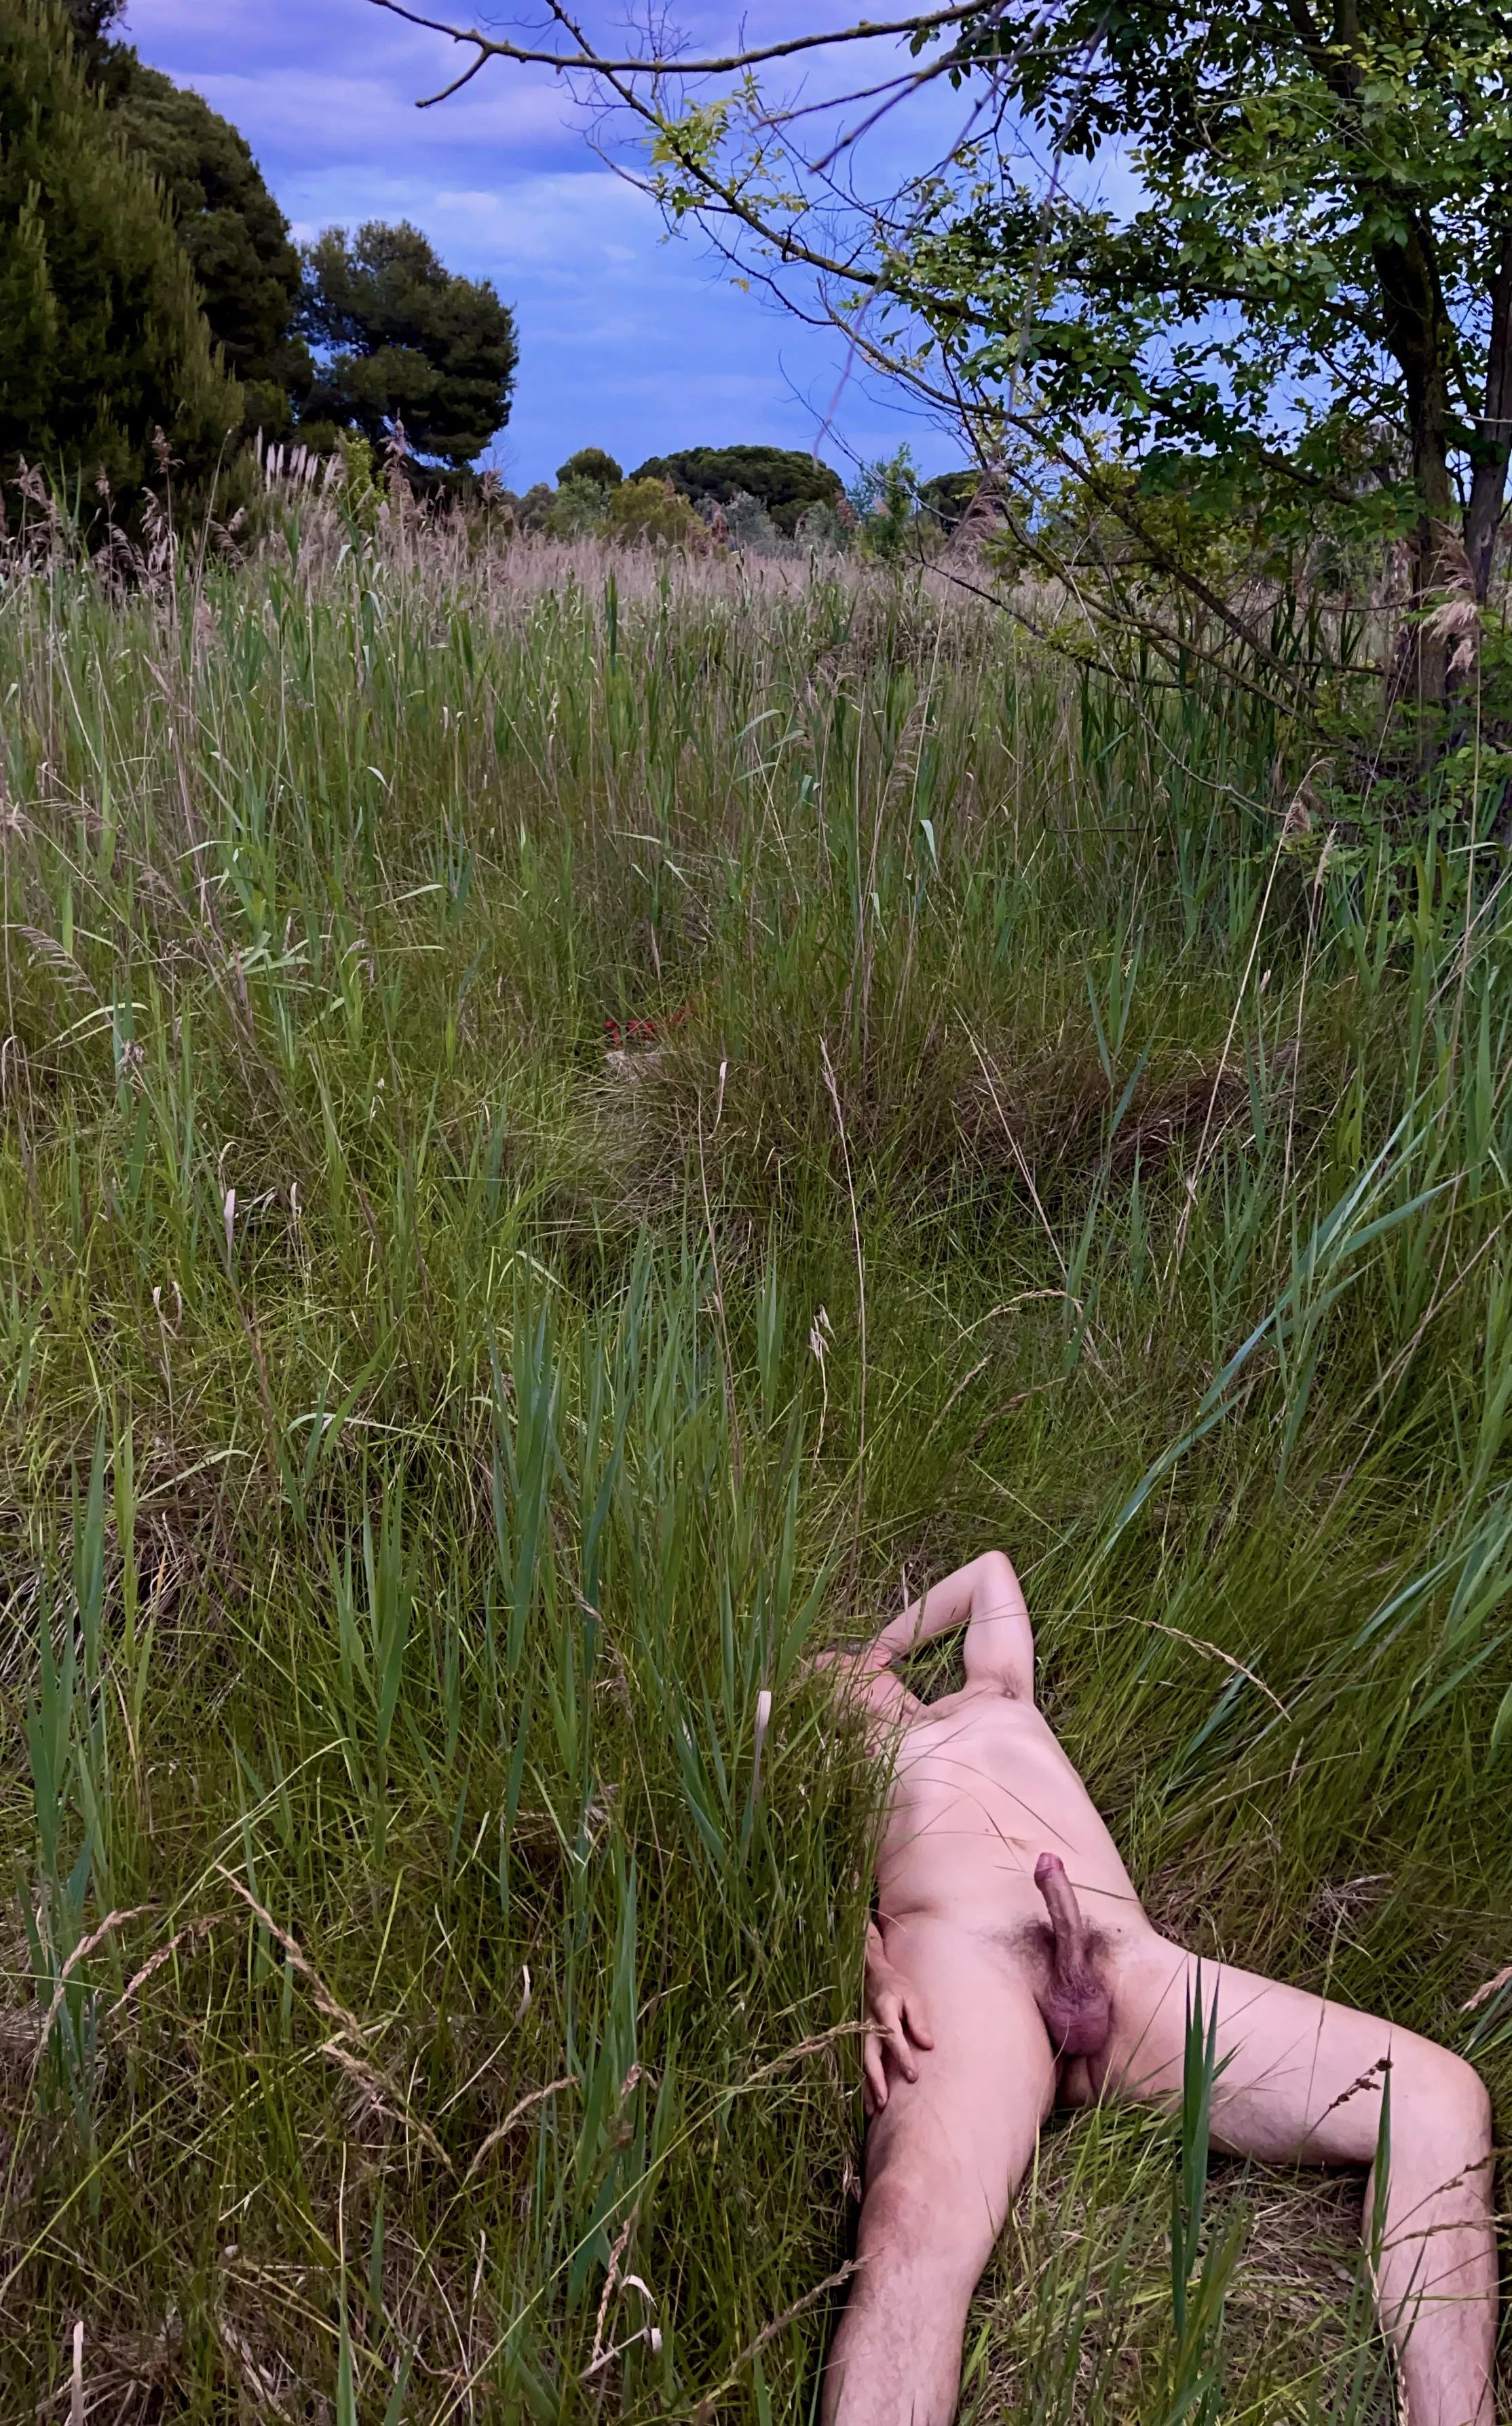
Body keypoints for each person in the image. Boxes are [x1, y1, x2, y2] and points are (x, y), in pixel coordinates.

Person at [818, 1551, 1498, 2426]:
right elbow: (780, 1868)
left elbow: (990, 1573)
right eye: (816, 1672)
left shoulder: (998, 1694)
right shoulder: (834, 1765)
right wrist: (873, 1968)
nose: (834, 1672)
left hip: (1133, 1968)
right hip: (966, 1970)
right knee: (911, 2230)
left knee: (1438, 2097)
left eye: (839, 1664)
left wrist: (877, 1645)